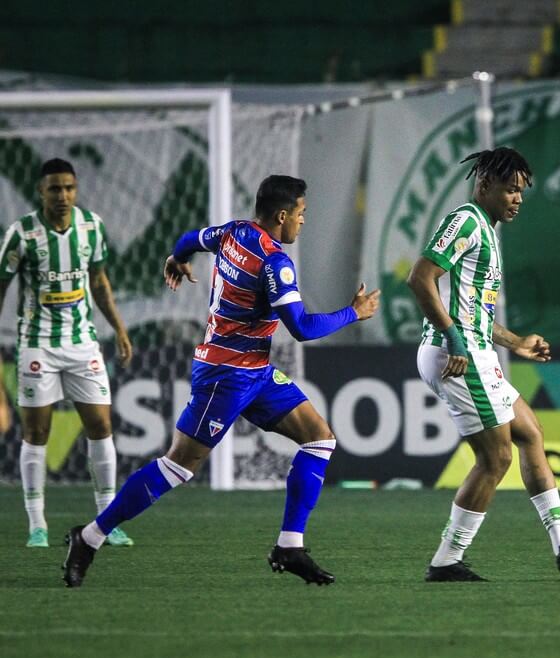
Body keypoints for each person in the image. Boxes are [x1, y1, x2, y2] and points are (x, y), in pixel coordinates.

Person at [62, 175, 380, 587]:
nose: (303, 222)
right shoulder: (274, 262)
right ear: (282, 216)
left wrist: (178, 258)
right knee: (178, 467)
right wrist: (353, 312)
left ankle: (290, 546)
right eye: (301, 214)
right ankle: (88, 537)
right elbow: (301, 327)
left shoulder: (232, 232)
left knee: (320, 439)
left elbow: (190, 237)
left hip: (256, 371)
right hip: (225, 375)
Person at [407, 147, 560, 582]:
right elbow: (420, 277)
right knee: (496, 458)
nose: (518, 199)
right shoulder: (466, 220)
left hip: (473, 348)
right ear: (484, 185)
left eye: (521, 192)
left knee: (530, 433)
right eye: (510, 189)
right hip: (456, 354)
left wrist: (517, 341)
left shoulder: (486, 228)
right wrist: (453, 338)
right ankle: (446, 561)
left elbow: (476, 315)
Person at [0, 158, 134, 549]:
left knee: (101, 426)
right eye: (55, 188)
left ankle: (107, 521)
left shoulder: (91, 226)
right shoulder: (21, 234)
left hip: (83, 343)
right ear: (41, 191)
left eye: (69, 188)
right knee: (36, 433)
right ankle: (36, 524)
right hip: (37, 343)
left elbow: (99, 281)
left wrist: (120, 329)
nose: (63, 196)